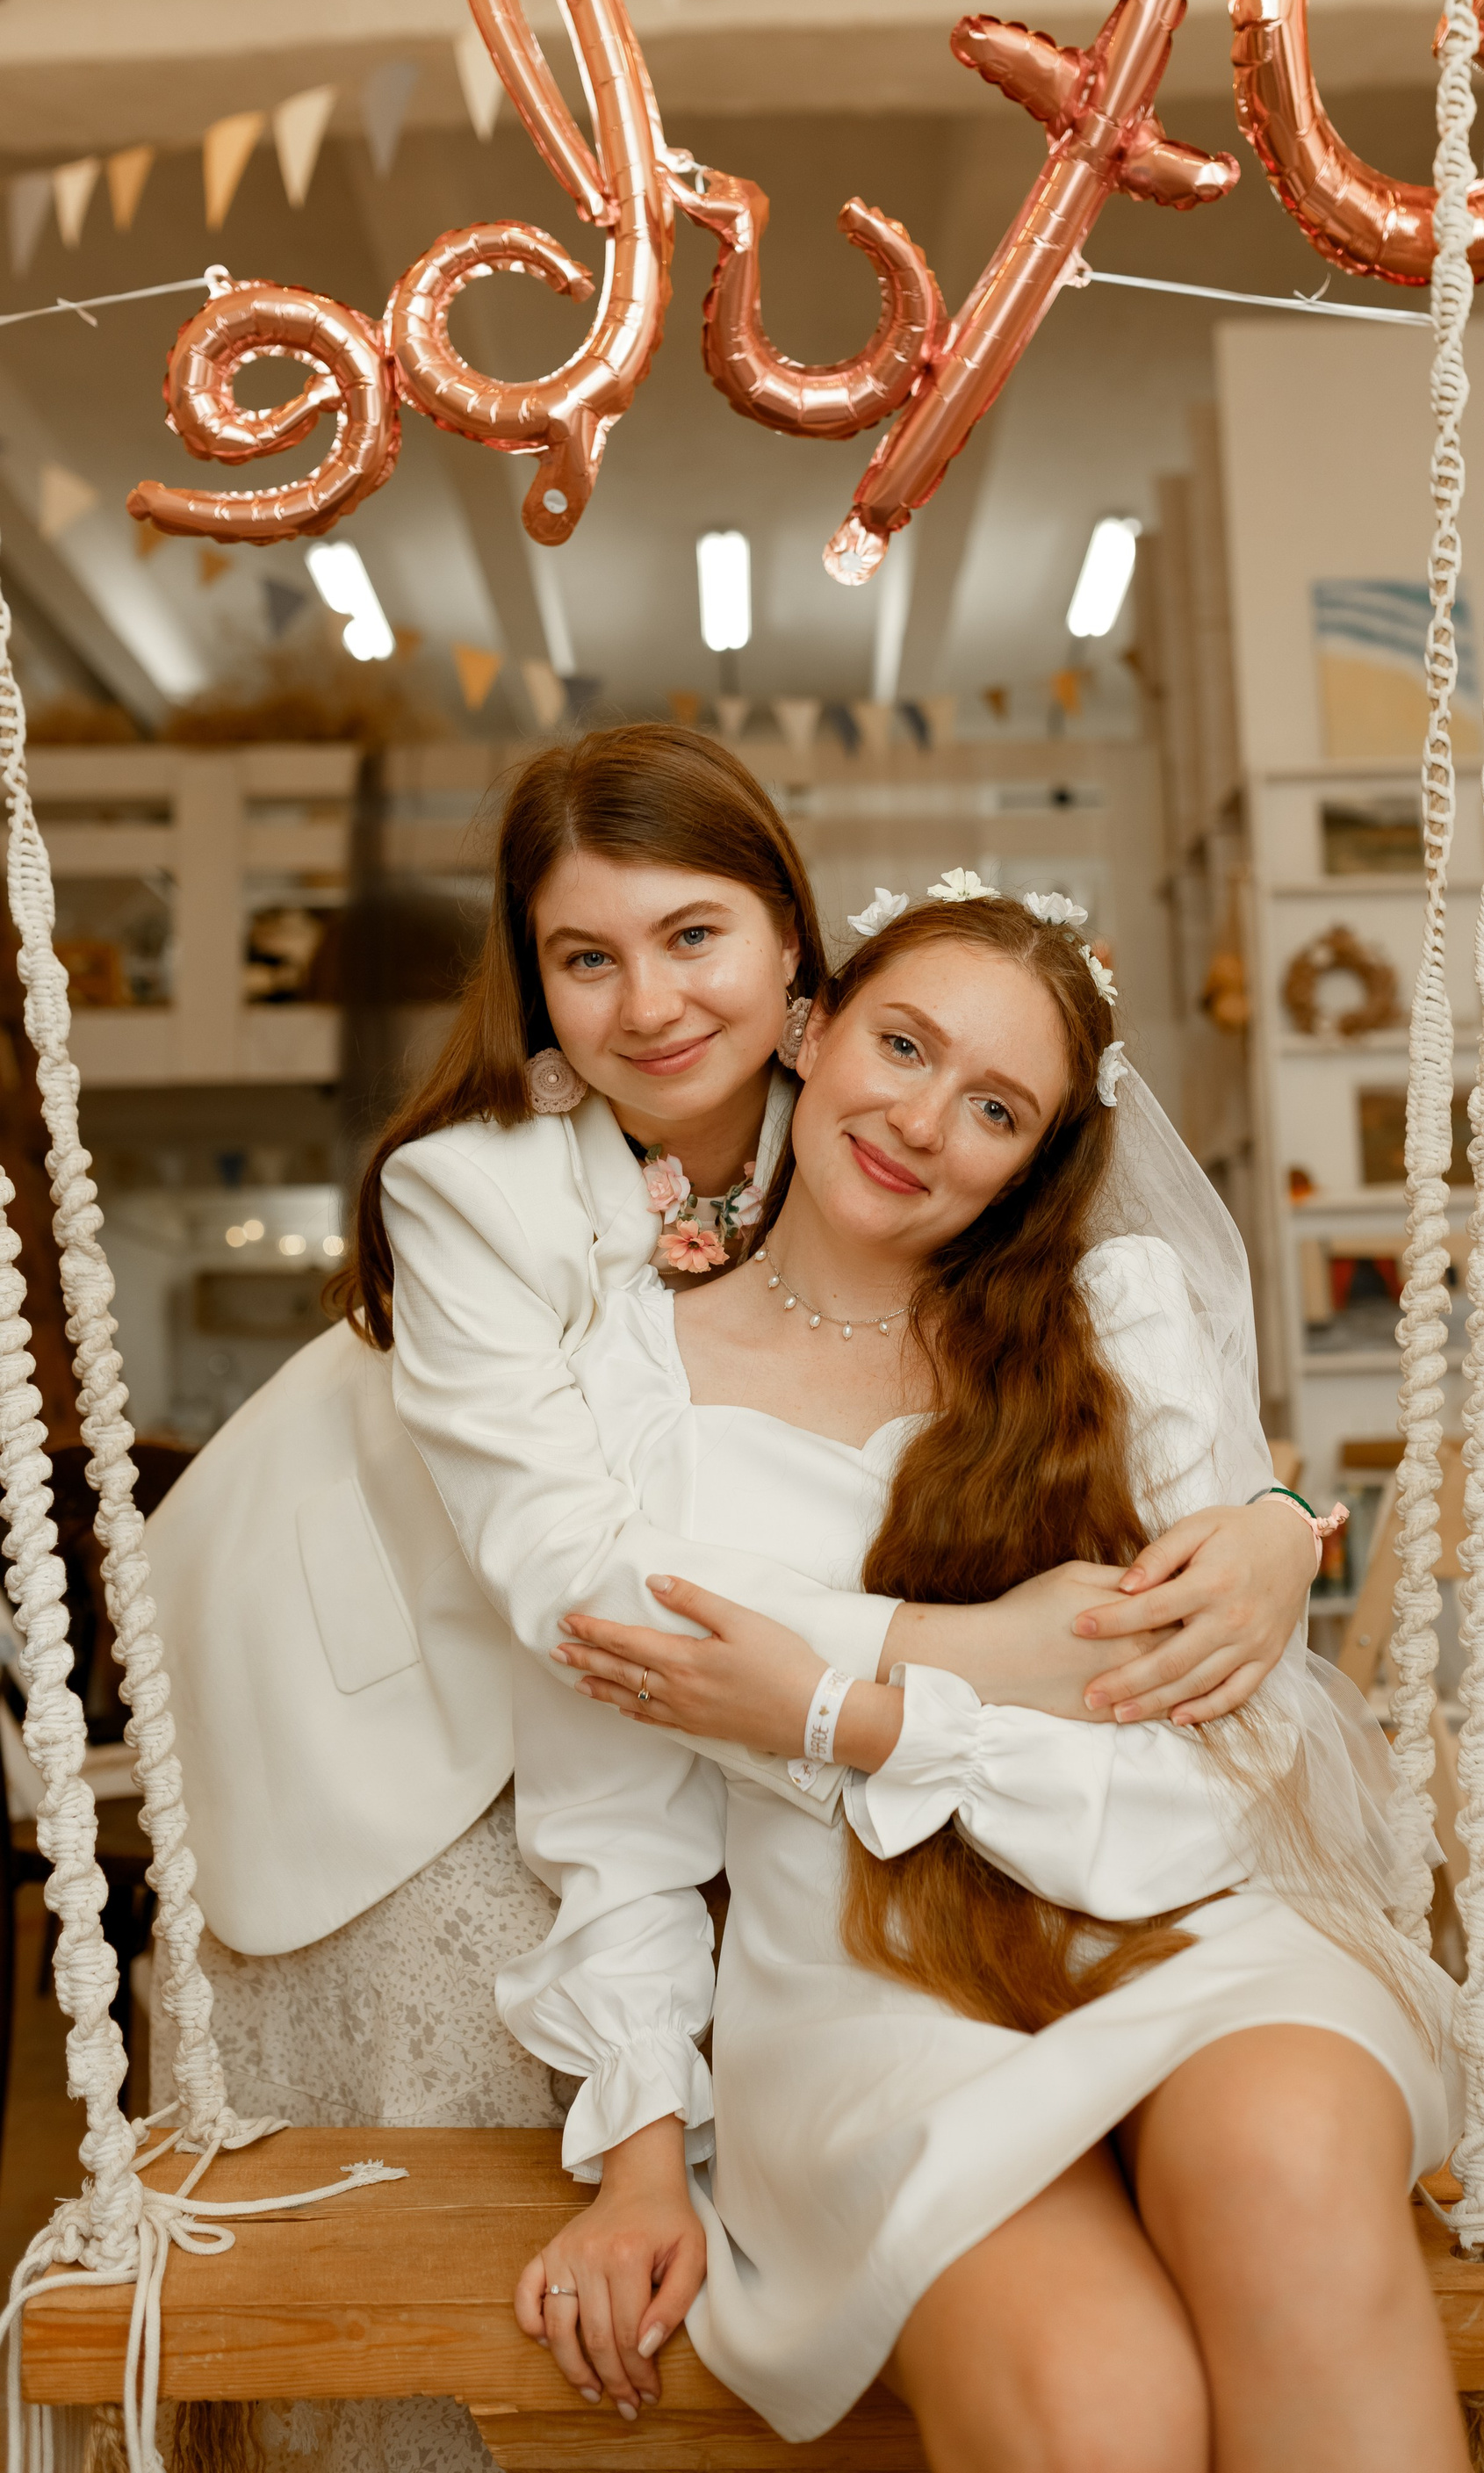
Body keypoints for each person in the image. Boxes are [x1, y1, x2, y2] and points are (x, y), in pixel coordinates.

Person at [146, 732, 1315, 2473]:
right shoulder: (470, 1189)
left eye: (693, 936)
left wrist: (1275, 1521)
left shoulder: (875, 1096)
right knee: (470, 2082)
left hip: (741, 1717)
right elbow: (584, 1588)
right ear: (534, 983)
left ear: (795, 956)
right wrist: (970, 1657)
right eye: (584, 956)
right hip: (387, 1645)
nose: (650, 1005)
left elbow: (1087, 1388)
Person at [502, 884, 1467, 2473]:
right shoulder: (623, 1386)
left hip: (1181, 1912)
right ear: (812, 1028)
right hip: (863, 1987)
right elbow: (615, 1821)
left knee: (1289, 2181)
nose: (922, 1122)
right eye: (904, 1046)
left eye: (996, 1107)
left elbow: (1197, 1725)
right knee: (1096, 2403)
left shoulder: (1113, 1328)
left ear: (1035, 1159)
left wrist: (848, 1714)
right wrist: (642, 2166)